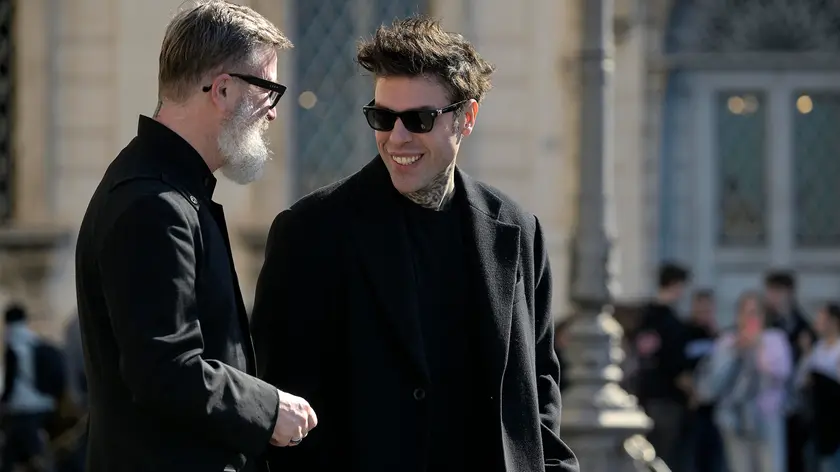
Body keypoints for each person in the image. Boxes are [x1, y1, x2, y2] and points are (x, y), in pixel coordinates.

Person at [249, 14, 578, 472]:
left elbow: (538, 386)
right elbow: (280, 401)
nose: (397, 138)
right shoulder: (310, 231)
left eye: (419, 119)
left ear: (466, 118)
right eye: (383, 117)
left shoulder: (518, 229)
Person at [74, 3, 316, 471]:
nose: (272, 114)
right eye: (268, 90)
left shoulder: (165, 187)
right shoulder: (153, 204)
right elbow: (165, 369)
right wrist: (269, 409)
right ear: (222, 90)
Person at [704, 291, 791, 472]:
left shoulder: (775, 339)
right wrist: (735, 352)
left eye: (754, 312)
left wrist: (758, 347)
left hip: (767, 415)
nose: (749, 318)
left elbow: (782, 375)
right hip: (734, 417)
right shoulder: (726, 341)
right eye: (745, 312)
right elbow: (715, 381)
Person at [634, 262, 692, 472]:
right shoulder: (672, 324)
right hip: (668, 400)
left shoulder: (644, 317)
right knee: (665, 458)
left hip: (646, 396)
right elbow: (676, 367)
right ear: (676, 285)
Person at [0, 304, 59, 472]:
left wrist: (3, 402)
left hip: (22, 408)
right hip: (44, 404)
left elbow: (10, 381)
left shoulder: (13, 344)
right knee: (32, 451)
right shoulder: (35, 341)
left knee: (16, 454)